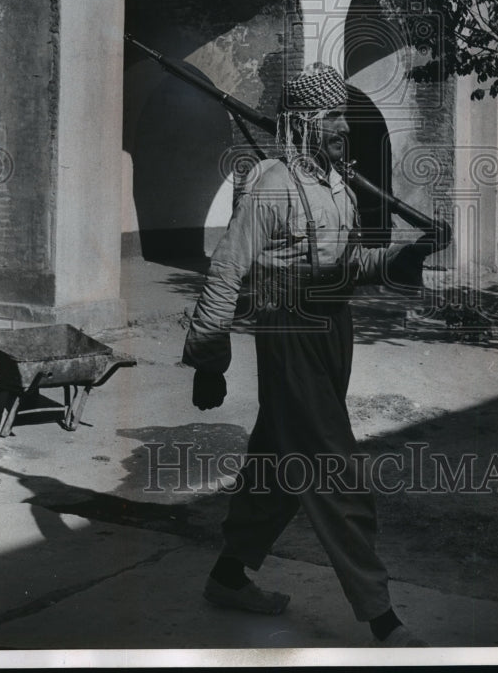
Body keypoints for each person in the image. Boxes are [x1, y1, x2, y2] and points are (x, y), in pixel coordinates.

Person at [182, 62, 443, 647]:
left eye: (344, 120)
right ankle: (382, 618)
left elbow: (349, 264)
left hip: (332, 330)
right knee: (331, 465)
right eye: (332, 120)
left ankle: (228, 577)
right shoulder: (272, 183)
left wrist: (407, 255)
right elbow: (226, 271)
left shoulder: (336, 184)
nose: (342, 130)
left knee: (280, 461)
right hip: (289, 334)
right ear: (303, 122)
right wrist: (208, 358)